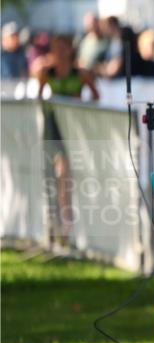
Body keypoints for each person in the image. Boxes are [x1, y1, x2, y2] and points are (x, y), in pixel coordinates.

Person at [35, 35, 100, 245]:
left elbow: (96, 97)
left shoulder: (81, 75)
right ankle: (52, 226)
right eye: (56, 48)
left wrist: (79, 106)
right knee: (51, 176)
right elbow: (38, 97)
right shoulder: (46, 73)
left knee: (65, 177)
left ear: (71, 51)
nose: (60, 53)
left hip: (72, 131)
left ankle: (66, 228)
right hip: (52, 128)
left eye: (63, 48)